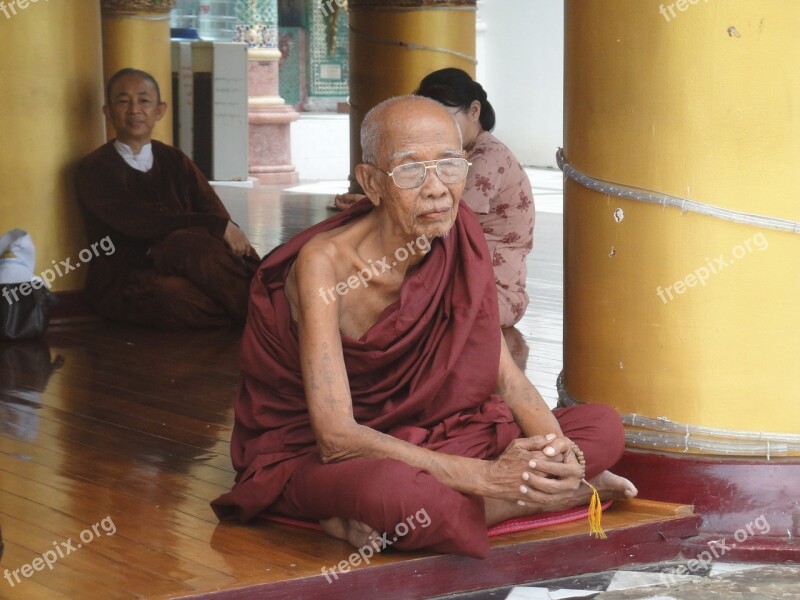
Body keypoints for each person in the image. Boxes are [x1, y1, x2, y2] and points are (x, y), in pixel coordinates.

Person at [212, 95, 636, 559]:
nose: (437, 189)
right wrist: (490, 478)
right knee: (407, 501)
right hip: (332, 455)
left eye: (450, 166)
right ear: (372, 183)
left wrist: (562, 459)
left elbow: (509, 381)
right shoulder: (324, 265)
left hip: (441, 434)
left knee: (602, 427)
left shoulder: (458, 234)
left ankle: (513, 495)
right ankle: (535, 499)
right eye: (411, 171)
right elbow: (336, 438)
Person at [337, 69, 534, 327]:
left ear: (474, 111)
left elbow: (442, 227)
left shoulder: (488, 159)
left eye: (445, 117)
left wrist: (374, 209)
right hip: (459, 276)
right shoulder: (461, 153)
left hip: (492, 292)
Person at [74, 68, 259, 329]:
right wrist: (215, 227)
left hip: (193, 261)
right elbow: (140, 223)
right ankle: (262, 317)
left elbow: (215, 213)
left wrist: (222, 228)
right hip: (128, 277)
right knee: (172, 291)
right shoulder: (95, 168)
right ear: (108, 112)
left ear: (159, 110)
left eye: (144, 101)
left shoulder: (175, 161)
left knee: (193, 248)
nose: (135, 109)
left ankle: (254, 314)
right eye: (124, 101)